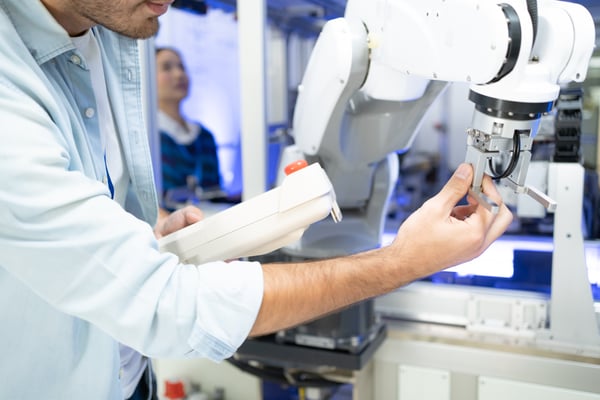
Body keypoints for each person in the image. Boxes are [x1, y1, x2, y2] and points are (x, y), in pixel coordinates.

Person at [0, 1, 512, 399]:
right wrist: (400, 263)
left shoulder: (115, 28)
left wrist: (147, 230)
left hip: (129, 379)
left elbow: (84, 197)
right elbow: (167, 306)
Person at [155, 46, 224, 210]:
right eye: (167, 68)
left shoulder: (205, 137)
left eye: (182, 67)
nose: (179, 74)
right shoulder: (149, 138)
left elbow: (214, 193)